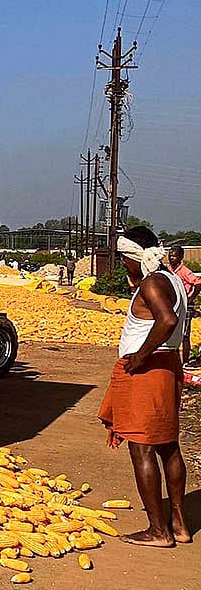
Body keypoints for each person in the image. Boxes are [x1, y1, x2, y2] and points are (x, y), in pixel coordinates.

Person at [98, 226, 190, 547]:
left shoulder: (151, 284)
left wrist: (139, 356)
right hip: (168, 366)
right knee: (169, 446)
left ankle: (158, 530)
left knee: (142, 447)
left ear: (137, 256)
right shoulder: (172, 279)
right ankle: (178, 523)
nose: (124, 264)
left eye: (125, 259)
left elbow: (167, 320)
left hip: (148, 371)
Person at [167, 245, 201, 363]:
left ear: (180, 257)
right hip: (174, 305)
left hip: (186, 306)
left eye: (174, 256)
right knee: (173, 334)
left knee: (185, 335)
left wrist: (190, 298)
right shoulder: (169, 270)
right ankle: (175, 362)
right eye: (170, 255)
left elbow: (198, 283)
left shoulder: (184, 271)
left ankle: (185, 362)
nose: (171, 258)